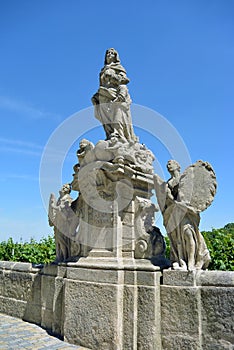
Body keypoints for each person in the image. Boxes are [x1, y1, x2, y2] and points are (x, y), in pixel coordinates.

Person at [154, 160, 211, 270]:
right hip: (174, 212)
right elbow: (169, 199)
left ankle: (191, 261)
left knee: (189, 234)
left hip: (186, 212)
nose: (168, 165)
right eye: (167, 164)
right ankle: (180, 260)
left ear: (178, 166)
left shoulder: (185, 178)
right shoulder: (169, 183)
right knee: (177, 239)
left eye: (171, 163)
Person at [92, 48, 136, 142]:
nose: (109, 54)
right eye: (108, 53)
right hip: (103, 93)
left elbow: (125, 80)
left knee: (116, 114)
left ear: (115, 56)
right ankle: (110, 134)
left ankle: (118, 134)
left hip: (113, 93)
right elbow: (102, 84)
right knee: (105, 118)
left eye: (112, 53)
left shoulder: (118, 67)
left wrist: (112, 76)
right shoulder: (103, 70)